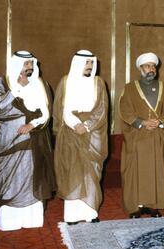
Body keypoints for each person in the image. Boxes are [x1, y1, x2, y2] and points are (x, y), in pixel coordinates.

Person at [0, 51, 56, 231]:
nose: (29, 68)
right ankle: (9, 220)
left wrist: (32, 125)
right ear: (17, 65)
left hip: (33, 140)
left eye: (31, 64)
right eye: (26, 64)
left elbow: (46, 113)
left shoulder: (39, 84)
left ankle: (31, 217)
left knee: (31, 176)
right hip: (8, 141)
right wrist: (17, 89)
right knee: (9, 178)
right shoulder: (3, 83)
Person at [53, 50, 108, 225]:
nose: (90, 67)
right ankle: (71, 215)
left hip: (93, 134)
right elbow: (61, 108)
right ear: (78, 63)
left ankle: (90, 212)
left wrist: (86, 126)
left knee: (91, 172)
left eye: (91, 63)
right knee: (72, 172)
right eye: (87, 63)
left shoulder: (98, 82)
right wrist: (75, 124)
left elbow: (102, 109)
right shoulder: (65, 82)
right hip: (71, 132)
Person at [119, 52, 164, 218]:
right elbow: (125, 110)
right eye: (147, 66)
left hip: (157, 136)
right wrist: (141, 122)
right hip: (138, 137)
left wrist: (159, 122)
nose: (151, 69)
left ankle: (152, 205)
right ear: (140, 68)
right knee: (137, 171)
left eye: (153, 66)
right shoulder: (129, 88)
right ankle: (136, 206)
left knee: (155, 170)